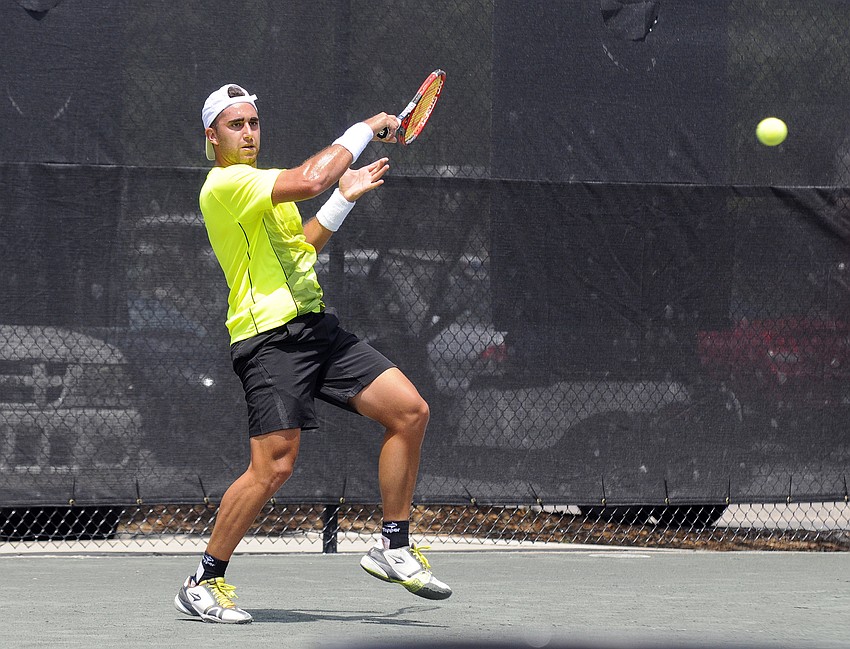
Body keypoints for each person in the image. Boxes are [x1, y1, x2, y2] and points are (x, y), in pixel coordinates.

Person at [173, 84, 452, 624]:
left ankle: (392, 546)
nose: (249, 133)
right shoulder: (226, 184)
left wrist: (342, 199)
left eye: (254, 122)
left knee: (410, 411)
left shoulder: (262, 188)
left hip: (316, 329)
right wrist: (369, 128)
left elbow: (301, 246)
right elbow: (312, 177)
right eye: (236, 126)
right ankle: (203, 582)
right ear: (214, 137)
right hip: (269, 339)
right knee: (273, 467)